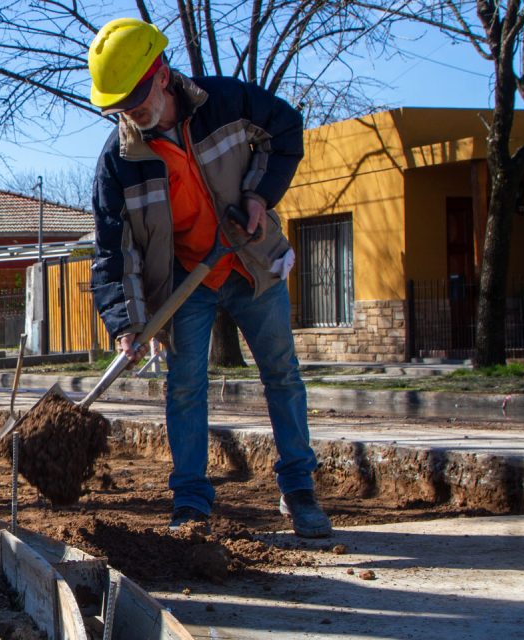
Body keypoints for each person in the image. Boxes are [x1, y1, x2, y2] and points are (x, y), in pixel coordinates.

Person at [87, 18, 332, 538]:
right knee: (184, 389)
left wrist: (258, 194)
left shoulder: (228, 102)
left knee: (282, 375)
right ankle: (192, 504)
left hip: (247, 261)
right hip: (186, 284)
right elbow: (115, 250)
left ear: (160, 74)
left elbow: (285, 131)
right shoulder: (119, 160)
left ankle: (299, 490)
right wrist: (127, 323)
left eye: (134, 97)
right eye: (118, 105)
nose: (129, 112)